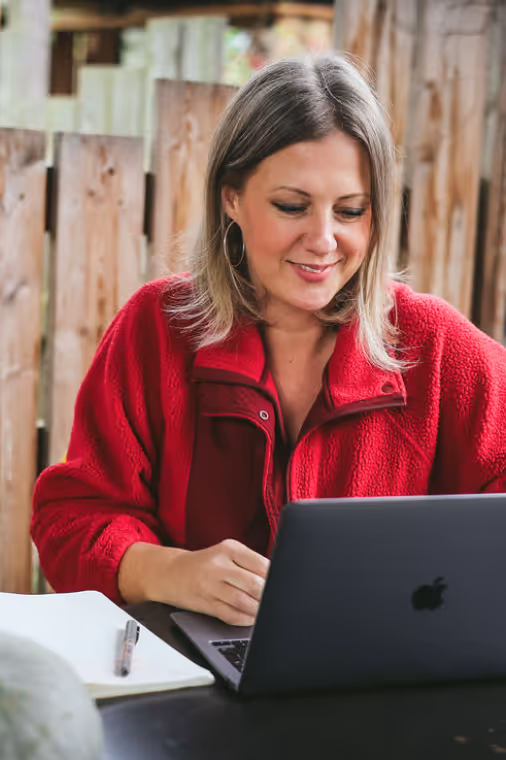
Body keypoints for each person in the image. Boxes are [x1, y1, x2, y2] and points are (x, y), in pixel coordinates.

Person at [32, 54, 506, 628]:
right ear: (231, 196)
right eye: (292, 206)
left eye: (351, 211)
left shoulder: (439, 347)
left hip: (381, 683)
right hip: (187, 681)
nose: (324, 239)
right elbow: (72, 518)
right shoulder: (156, 328)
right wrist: (168, 571)